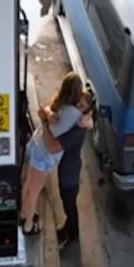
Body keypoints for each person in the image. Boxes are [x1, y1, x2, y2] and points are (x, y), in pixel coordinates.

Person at [21, 73, 92, 234]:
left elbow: (45, 109)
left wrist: (46, 117)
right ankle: (28, 225)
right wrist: (87, 118)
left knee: (28, 183)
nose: (79, 106)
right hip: (44, 153)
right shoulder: (75, 115)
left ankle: (25, 213)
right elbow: (53, 146)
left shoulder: (60, 103)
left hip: (35, 143)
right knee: (34, 191)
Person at [40, 95, 92, 248]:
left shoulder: (76, 131)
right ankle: (67, 229)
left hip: (69, 175)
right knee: (67, 203)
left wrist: (44, 125)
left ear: (85, 112)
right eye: (77, 103)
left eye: (81, 107)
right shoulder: (73, 123)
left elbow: (53, 146)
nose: (76, 108)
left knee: (69, 205)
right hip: (68, 170)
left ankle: (73, 235)